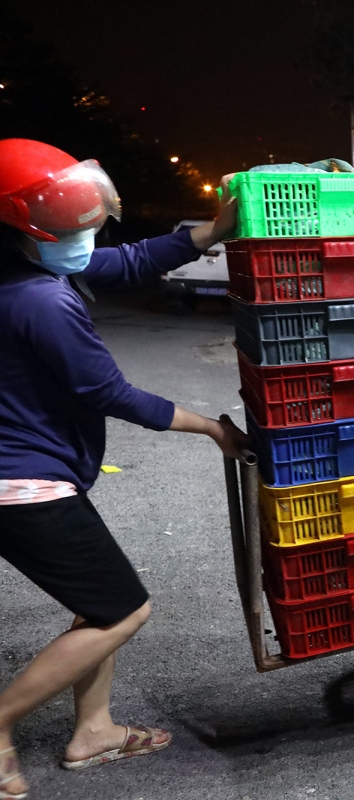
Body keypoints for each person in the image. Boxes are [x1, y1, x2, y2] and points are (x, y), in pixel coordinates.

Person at [0, 139, 251, 799]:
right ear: (24, 229)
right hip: (22, 486)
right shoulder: (41, 302)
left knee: (98, 602)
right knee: (125, 611)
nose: (86, 238)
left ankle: (95, 730)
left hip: (28, 475)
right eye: (73, 228)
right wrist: (211, 428)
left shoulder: (32, 270)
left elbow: (134, 259)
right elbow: (108, 393)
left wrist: (213, 230)